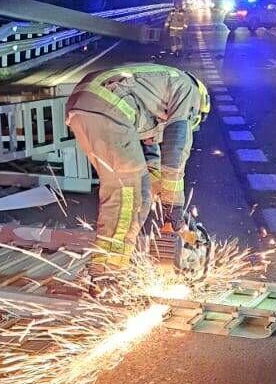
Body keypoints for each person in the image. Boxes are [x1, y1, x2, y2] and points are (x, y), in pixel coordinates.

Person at [66, 63, 210, 291]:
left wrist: (169, 208)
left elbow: (148, 158)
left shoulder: (155, 96)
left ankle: (104, 269)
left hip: (83, 107)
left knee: (134, 190)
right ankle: (107, 277)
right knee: (128, 197)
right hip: (110, 109)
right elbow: (175, 150)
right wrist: (174, 205)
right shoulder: (188, 90)